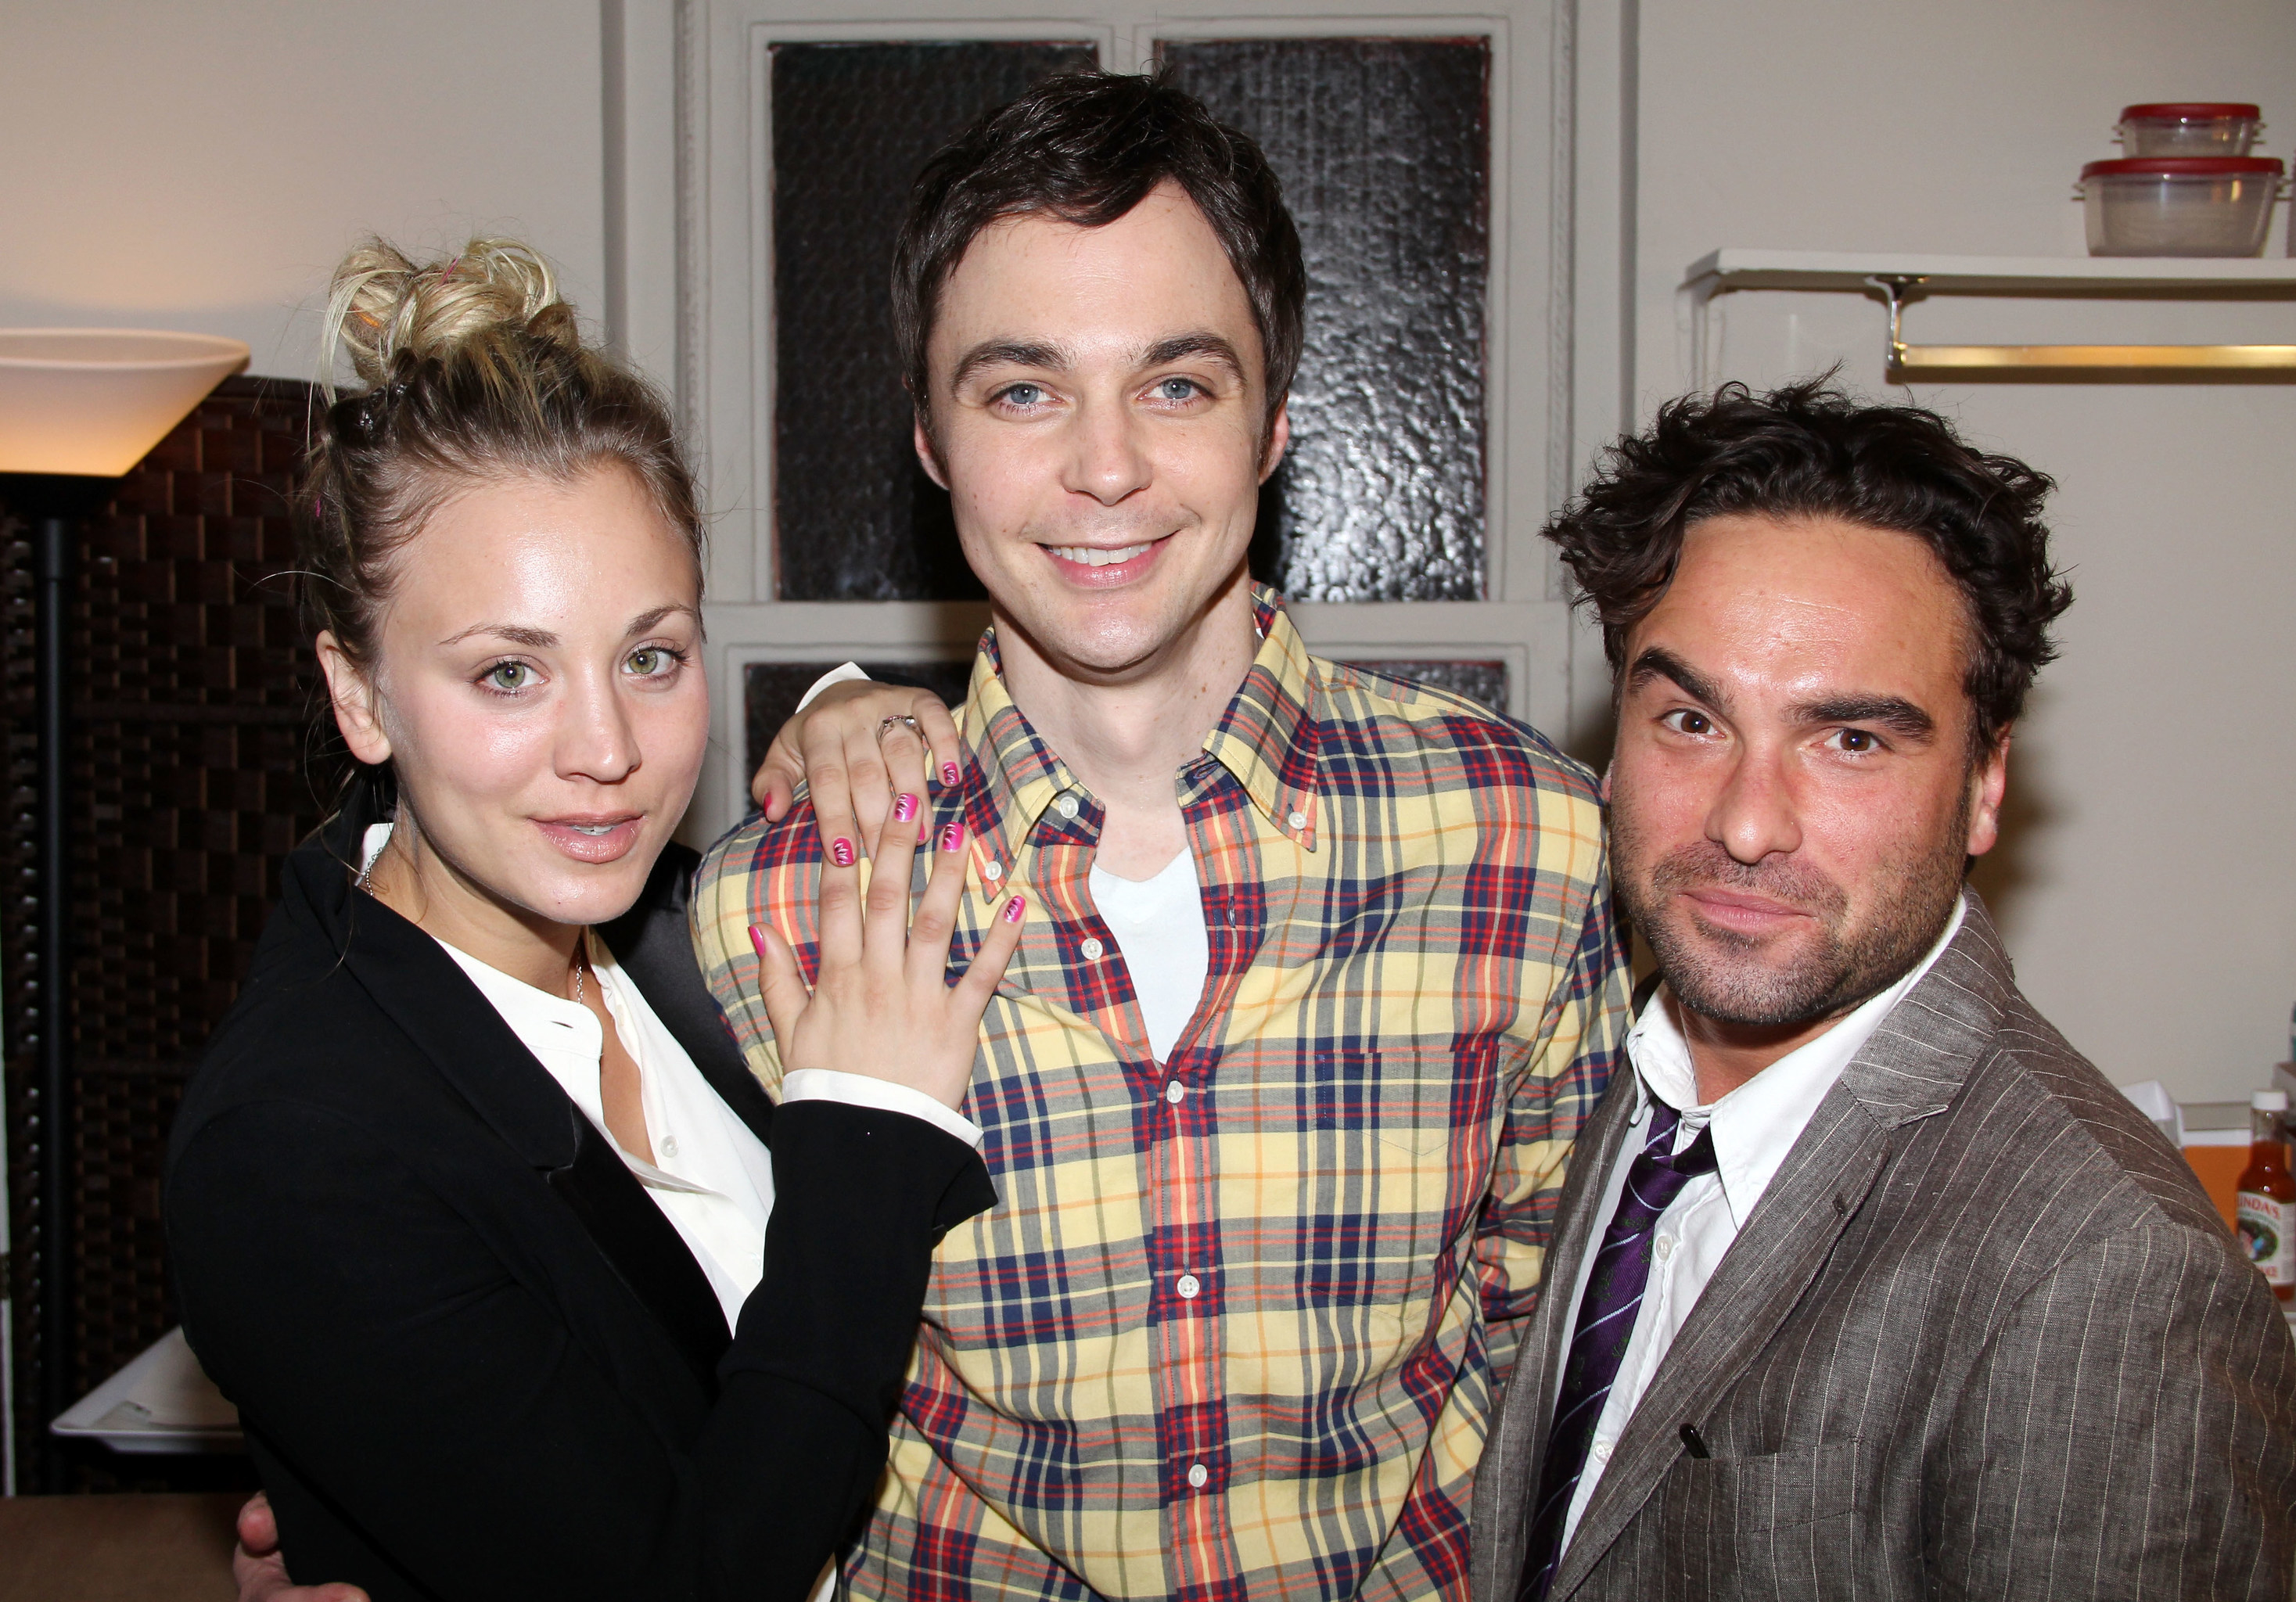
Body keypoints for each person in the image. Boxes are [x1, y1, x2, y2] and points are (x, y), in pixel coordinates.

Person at [690, 71, 1629, 1600]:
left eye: (1178, 383)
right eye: (1022, 389)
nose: (1107, 466)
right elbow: (692, 1404)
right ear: (930, 438)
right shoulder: (776, 910)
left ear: (1273, 418)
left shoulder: (1527, 848)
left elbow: (1571, 1362)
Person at [166, 238, 1021, 1602]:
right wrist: (866, 1138)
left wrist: (851, 711)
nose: (608, 747)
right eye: (510, 671)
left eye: (650, 655)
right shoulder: (294, 1150)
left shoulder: (671, 934)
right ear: (360, 693)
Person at [1466, 379, 2296, 1601]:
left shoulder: (2110, 1279)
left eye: (1852, 740)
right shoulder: (1612, 1077)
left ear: (1983, 786)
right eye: (1691, 720)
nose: (1748, 825)